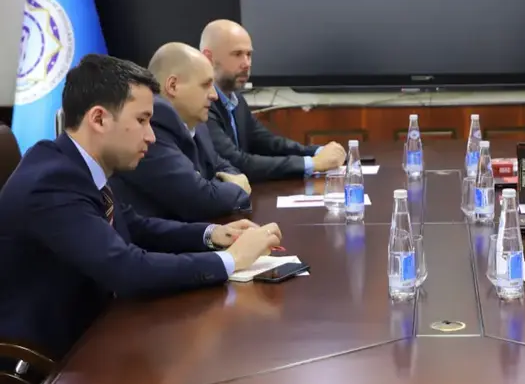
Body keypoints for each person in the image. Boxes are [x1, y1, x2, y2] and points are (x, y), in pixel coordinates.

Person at [0, 54, 282, 361]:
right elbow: (128, 269)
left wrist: (213, 234)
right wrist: (231, 260)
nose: (151, 136)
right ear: (99, 119)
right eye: (141, 120)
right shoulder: (52, 182)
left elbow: (135, 226)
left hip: (99, 327)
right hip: (48, 358)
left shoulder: (76, 164)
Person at [110, 43, 251, 221]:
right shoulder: (155, 120)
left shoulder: (196, 122)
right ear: (173, 86)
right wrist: (236, 187)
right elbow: (200, 201)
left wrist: (210, 186)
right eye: (206, 85)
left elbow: (221, 165)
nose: (214, 95)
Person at [199, 19, 346, 182]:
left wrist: (317, 152)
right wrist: (313, 163)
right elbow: (237, 163)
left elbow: (267, 143)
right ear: (208, 58)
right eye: (237, 54)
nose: (246, 64)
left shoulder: (236, 98)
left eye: (249, 55)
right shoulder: (200, 105)